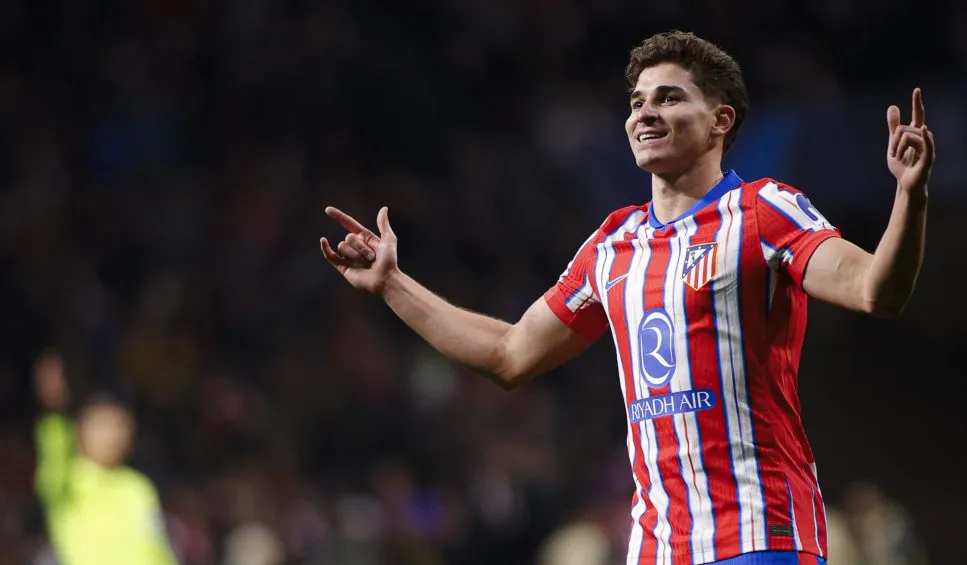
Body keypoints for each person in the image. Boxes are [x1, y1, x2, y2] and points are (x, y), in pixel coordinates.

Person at [320, 31, 934, 565]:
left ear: (720, 120)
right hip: (656, 547)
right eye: (637, 101)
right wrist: (392, 285)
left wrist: (909, 197)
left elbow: (874, 290)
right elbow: (509, 354)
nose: (645, 113)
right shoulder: (613, 245)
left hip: (760, 535)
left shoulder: (764, 211)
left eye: (668, 98)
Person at [33, 350, 177, 565]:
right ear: (81, 431)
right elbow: (54, 449)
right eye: (102, 425)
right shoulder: (67, 480)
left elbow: (158, 549)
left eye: (119, 425)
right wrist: (54, 409)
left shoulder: (138, 487)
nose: (111, 435)